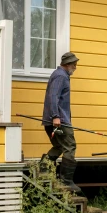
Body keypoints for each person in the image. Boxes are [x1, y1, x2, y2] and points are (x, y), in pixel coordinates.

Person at [39, 52, 81, 193]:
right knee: (70, 146)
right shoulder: (60, 76)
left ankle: (43, 169)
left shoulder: (61, 75)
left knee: (59, 146)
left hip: (55, 119)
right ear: (68, 64)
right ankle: (66, 181)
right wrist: (56, 116)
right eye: (74, 64)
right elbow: (53, 97)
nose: (75, 67)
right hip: (59, 120)